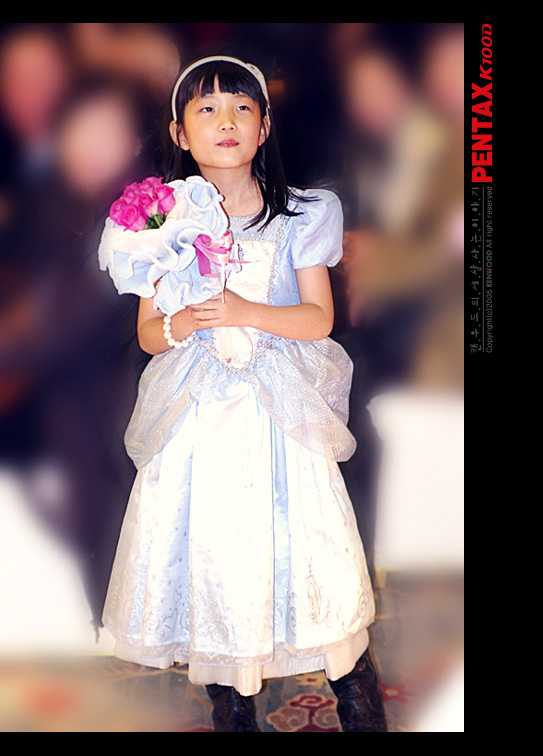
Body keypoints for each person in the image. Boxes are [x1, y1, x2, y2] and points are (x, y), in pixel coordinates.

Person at [101, 56, 387, 733]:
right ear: (180, 133)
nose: (224, 120)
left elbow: (317, 318)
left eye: (241, 108)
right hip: (198, 414)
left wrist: (242, 311)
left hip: (279, 409)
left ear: (264, 127)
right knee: (213, 551)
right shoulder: (159, 221)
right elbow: (149, 333)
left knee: (308, 546)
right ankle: (230, 701)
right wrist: (183, 323)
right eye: (206, 109)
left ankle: (354, 689)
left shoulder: (300, 214)